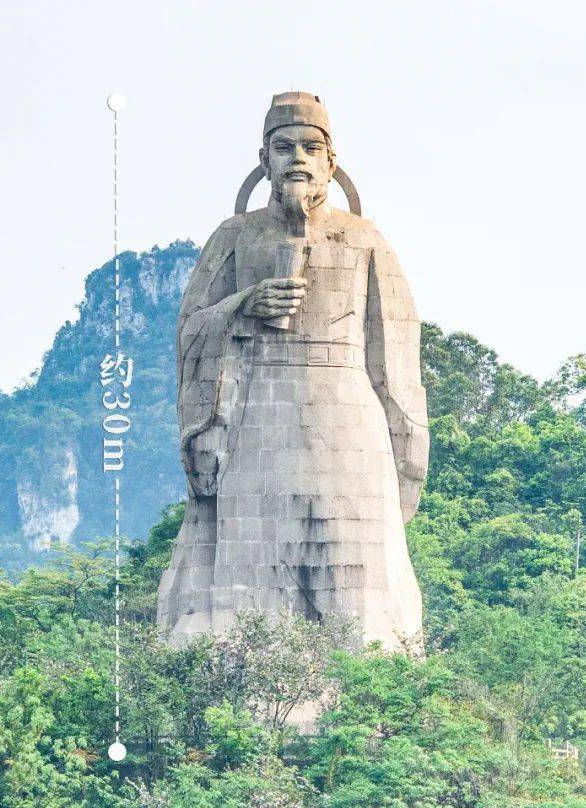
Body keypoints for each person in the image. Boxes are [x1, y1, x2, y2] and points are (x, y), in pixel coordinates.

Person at [158, 91, 428, 650]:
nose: (298, 159)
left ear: (333, 161)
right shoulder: (234, 237)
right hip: (258, 417)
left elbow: (396, 355)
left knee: (358, 579)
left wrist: (407, 455)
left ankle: (374, 695)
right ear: (264, 160)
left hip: (350, 421)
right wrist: (243, 305)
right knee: (250, 572)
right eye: (284, 148)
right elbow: (189, 329)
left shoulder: (366, 240)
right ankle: (246, 687)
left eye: (311, 147)